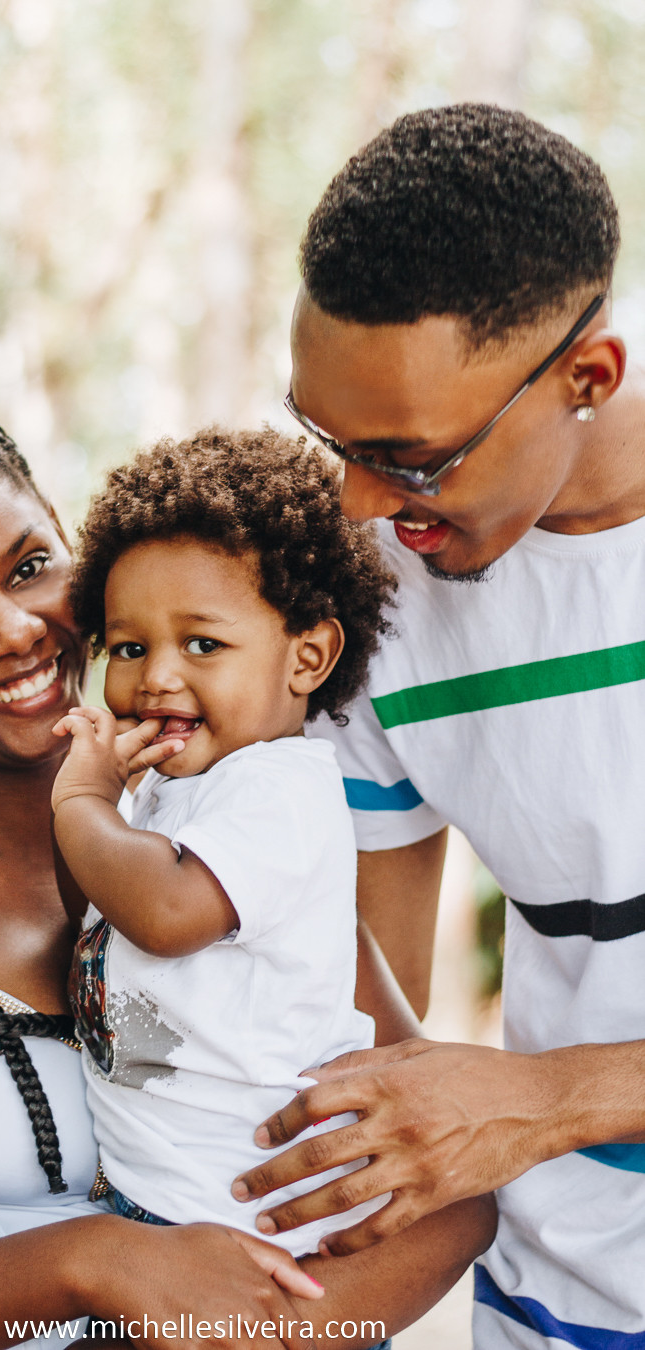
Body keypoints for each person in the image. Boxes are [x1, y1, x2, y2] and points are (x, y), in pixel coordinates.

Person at [0, 364, 494, 1350]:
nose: (15, 631)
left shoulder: (228, 827)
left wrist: (266, 1340)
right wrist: (95, 1262)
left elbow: (446, 1190)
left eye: (25, 568)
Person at [228, 104, 645, 1349]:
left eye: (411, 457)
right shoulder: (374, 593)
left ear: (590, 378)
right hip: (551, 1308)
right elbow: (353, 992)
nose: (359, 501)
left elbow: (523, 1103)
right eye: (328, 438)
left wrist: (552, 1099)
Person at [54, 430, 421, 1261]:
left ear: (309, 655)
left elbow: (165, 912)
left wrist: (81, 797)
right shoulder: (182, 785)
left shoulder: (280, 790)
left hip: (244, 1222)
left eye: (203, 645)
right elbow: (99, 904)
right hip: (166, 1198)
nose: (156, 677)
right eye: (129, 647)